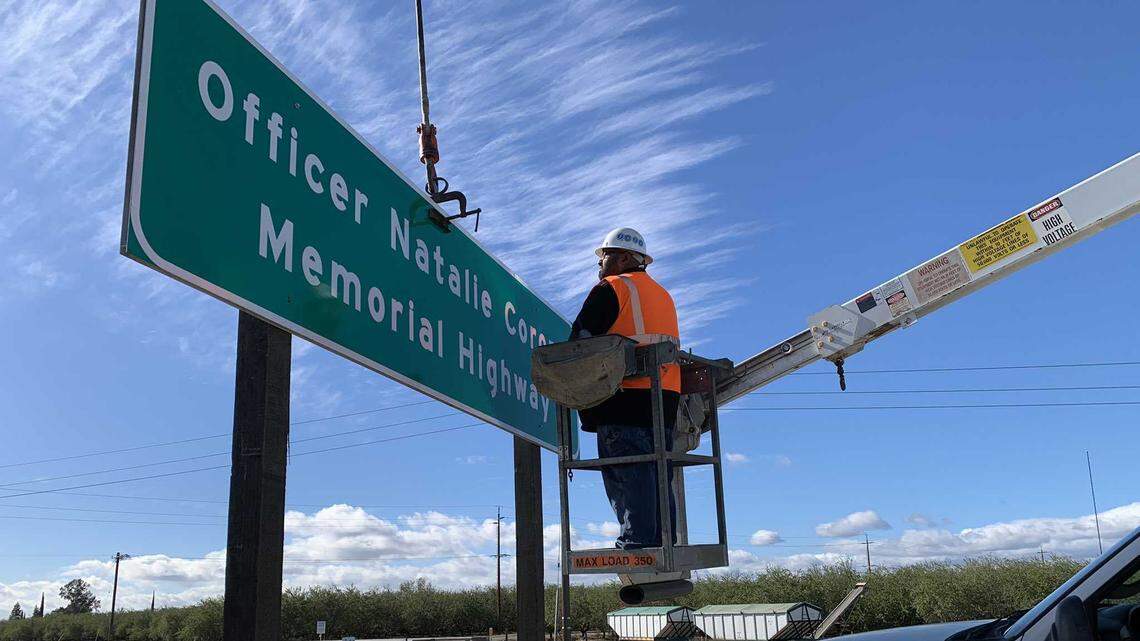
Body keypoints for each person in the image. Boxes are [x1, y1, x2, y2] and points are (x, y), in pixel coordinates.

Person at [569, 227, 681, 550]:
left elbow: (579, 344)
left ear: (620, 259)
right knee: (658, 472)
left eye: (603, 257)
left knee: (628, 472)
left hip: (624, 396)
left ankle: (635, 542)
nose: (600, 264)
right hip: (665, 400)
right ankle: (663, 540)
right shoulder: (663, 295)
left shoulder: (613, 287)